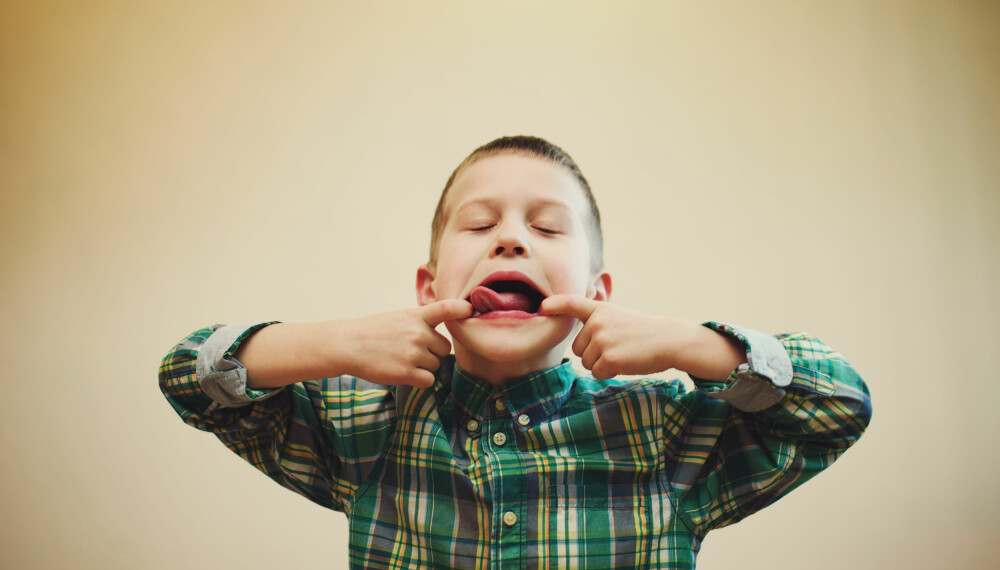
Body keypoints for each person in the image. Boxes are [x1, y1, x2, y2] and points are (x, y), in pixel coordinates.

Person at [159, 135, 871, 569]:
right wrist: (330, 343)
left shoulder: (667, 433)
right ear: (429, 284)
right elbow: (189, 376)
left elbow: (840, 405)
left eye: (548, 228)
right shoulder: (367, 424)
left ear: (597, 290)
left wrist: (697, 345)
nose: (511, 238)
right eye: (480, 223)